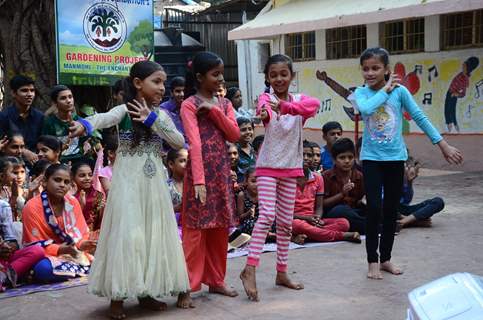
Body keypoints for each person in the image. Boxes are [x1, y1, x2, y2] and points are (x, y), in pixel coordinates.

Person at [68, 60, 190, 318]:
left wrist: (153, 119)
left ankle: (145, 293)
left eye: (163, 82)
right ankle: (118, 298)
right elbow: (103, 118)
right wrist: (85, 125)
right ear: (137, 83)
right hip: (128, 183)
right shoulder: (124, 111)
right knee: (128, 234)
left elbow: (179, 141)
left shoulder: (162, 114)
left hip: (154, 183)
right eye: (156, 81)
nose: (162, 87)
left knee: (152, 233)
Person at [350, 47, 463, 280]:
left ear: (386, 69)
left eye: (375, 68)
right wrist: (385, 90)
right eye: (366, 69)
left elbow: (420, 117)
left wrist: (443, 145)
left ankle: (386, 259)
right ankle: (372, 261)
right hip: (371, 159)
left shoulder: (400, 92)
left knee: (391, 210)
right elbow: (366, 110)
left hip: (395, 159)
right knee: (374, 209)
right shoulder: (360, 93)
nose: (370, 73)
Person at [240, 54, 320, 301]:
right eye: (273, 75)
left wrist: (286, 107)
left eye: (283, 74)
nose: (279, 79)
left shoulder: (298, 100)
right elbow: (264, 112)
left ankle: (281, 273)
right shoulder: (266, 98)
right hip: (267, 167)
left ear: (291, 76)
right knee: (266, 215)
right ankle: (250, 269)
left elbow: (314, 105)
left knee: (285, 223)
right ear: (267, 78)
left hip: (291, 168)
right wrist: (267, 112)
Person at [180, 51, 240, 304]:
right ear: (199, 76)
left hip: (221, 174)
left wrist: (215, 112)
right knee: (195, 232)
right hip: (199, 175)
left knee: (219, 229)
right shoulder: (189, 105)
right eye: (215, 74)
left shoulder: (225, 105)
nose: (220, 79)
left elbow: (235, 135)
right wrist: (199, 181)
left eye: (221, 74)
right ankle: (186, 286)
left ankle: (216, 281)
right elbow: (193, 144)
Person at [22, 164, 96, 283]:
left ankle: (67, 272)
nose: (62, 185)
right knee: (43, 269)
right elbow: (34, 245)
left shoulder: (72, 202)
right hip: (46, 256)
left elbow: (81, 233)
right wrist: (60, 249)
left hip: (73, 253)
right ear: (45, 182)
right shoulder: (31, 207)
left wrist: (82, 244)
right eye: (57, 180)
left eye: (66, 182)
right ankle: (86, 270)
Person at [292, 141, 360, 244]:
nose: (305, 158)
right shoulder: (286, 179)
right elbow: (283, 213)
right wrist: (306, 218)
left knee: (344, 223)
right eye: (302, 155)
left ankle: (308, 236)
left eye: (309, 155)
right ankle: (342, 236)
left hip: (312, 220)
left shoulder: (317, 178)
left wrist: (317, 219)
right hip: (294, 219)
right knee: (297, 224)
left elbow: (319, 207)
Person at [0, 158, 45, 291]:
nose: (17, 176)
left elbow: (10, 237)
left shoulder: (3, 205)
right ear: (2, 176)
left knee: (37, 251)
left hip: (4, 255)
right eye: (13, 172)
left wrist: (8, 247)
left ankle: (6, 276)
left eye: (20, 172)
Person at [322, 138, 366, 235]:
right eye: (342, 158)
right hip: (334, 214)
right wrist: (342, 194)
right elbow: (322, 204)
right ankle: (375, 228)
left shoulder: (359, 176)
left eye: (350, 157)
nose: (347, 161)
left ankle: (368, 225)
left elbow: (359, 202)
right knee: (342, 210)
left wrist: (364, 202)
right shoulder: (326, 176)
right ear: (334, 159)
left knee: (376, 207)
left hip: (354, 212)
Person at [42, 85, 96, 163]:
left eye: (70, 97)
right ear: (55, 103)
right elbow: (46, 148)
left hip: (79, 159)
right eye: (63, 98)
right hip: (58, 161)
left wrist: (87, 144)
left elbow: (87, 141)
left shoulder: (80, 121)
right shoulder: (50, 123)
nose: (68, 101)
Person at [0, 75, 43, 163]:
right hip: (9, 163)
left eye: (32, 90)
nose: (29, 94)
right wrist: (24, 152)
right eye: (24, 90)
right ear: (13, 93)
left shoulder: (39, 117)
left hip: (35, 162)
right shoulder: (3, 117)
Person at [397, 156, 444, 229]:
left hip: (401, 210)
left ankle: (403, 222)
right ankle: (411, 221)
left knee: (438, 202)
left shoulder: (405, 181)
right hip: (387, 209)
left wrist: (409, 182)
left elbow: (406, 201)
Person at [444, 56, 479, 133]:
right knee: (448, 109)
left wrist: (456, 94)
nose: (462, 67)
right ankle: (451, 126)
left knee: (450, 110)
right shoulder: (461, 74)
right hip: (450, 92)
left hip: (452, 94)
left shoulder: (465, 79)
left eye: (464, 66)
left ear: (468, 68)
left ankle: (454, 127)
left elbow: (463, 94)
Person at [71, 161, 105, 232]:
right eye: (82, 175)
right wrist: (80, 205)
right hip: (74, 234)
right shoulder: (69, 197)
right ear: (73, 177)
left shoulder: (98, 196)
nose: (87, 178)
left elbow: (102, 222)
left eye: (90, 175)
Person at [166, 148, 188, 238]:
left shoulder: (195, 186)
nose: (187, 164)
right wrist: (177, 208)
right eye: (182, 161)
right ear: (171, 164)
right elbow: (162, 212)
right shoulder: (167, 187)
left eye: (189, 161)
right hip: (174, 229)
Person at [236, 117, 255, 182]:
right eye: (243, 130)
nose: (248, 132)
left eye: (250, 129)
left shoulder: (255, 148)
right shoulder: (233, 151)